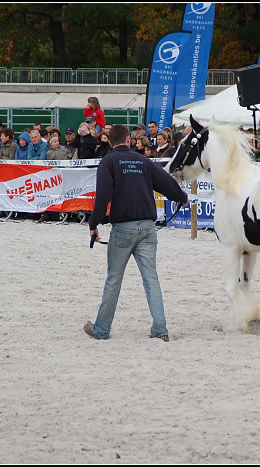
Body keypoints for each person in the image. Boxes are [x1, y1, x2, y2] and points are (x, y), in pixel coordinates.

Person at [84, 124, 188, 342]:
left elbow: (102, 197)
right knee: (151, 278)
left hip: (123, 228)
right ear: (129, 139)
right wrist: (181, 197)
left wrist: (94, 224)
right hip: (148, 228)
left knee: (114, 279)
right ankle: (160, 329)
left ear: (110, 142)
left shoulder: (109, 161)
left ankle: (101, 330)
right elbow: (166, 182)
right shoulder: (143, 161)